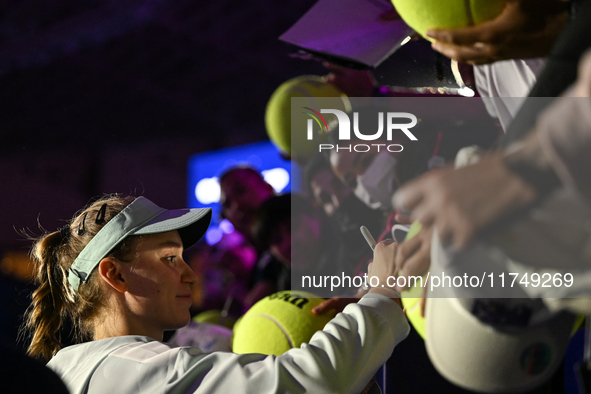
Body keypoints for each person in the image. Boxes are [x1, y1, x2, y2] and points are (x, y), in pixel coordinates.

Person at [23, 194, 409, 394]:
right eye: (170, 258)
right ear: (115, 275)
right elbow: (307, 383)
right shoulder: (146, 370)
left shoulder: (62, 371)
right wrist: (383, 293)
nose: (191, 275)